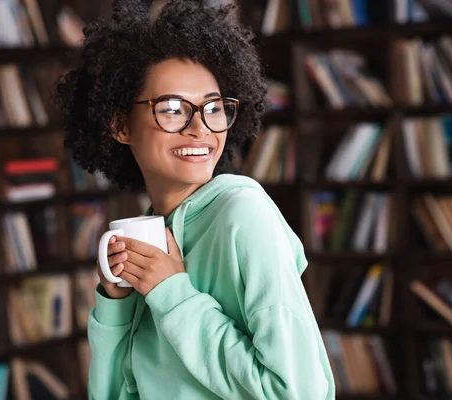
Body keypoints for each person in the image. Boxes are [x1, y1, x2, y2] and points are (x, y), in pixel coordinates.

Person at [56, 0, 335, 398]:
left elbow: (295, 392)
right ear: (119, 125)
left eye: (213, 108)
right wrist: (116, 304)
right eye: (171, 109)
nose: (200, 128)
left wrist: (173, 293)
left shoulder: (244, 214)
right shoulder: (154, 233)